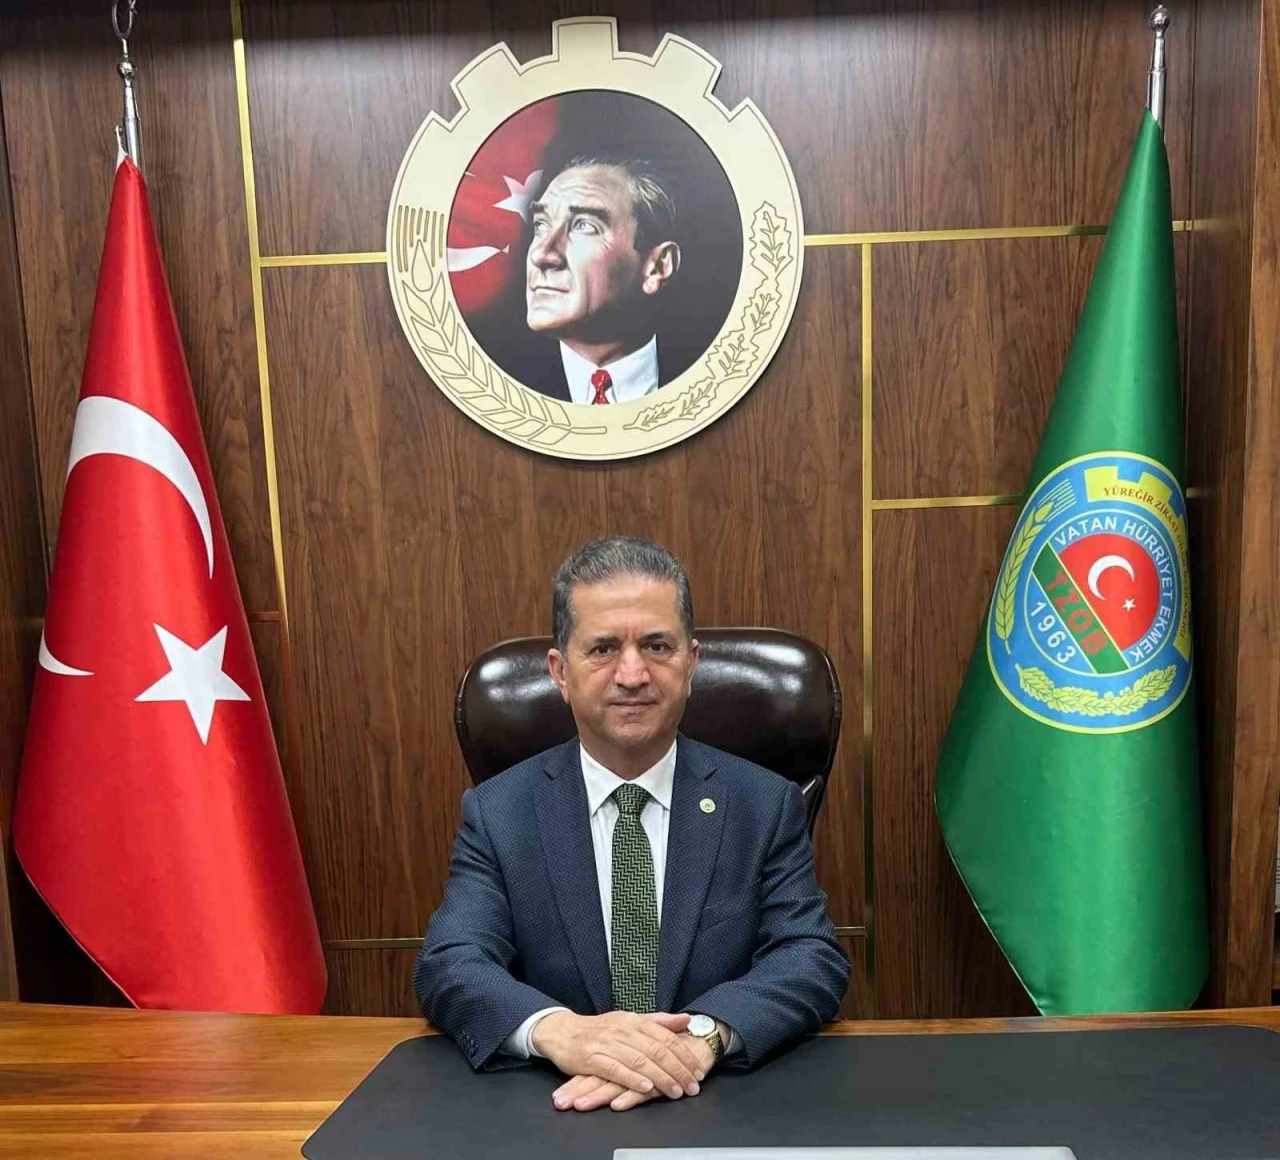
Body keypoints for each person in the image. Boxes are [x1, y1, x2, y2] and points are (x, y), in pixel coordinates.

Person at [415, 537, 849, 1114]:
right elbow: (451, 962)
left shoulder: (762, 803)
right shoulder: (500, 811)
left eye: (657, 646)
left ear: (691, 664)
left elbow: (809, 956)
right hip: (555, 1107)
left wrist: (701, 1039)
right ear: (560, 672)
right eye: (602, 648)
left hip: (718, 1106)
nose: (633, 674)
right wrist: (560, 1030)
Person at [518, 154, 681, 404]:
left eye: (584, 226)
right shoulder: (492, 378)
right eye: (541, 224)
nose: (541, 254)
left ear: (657, 267)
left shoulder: (710, 369)